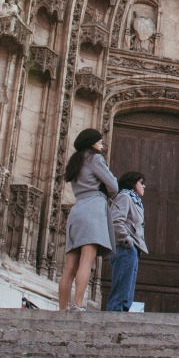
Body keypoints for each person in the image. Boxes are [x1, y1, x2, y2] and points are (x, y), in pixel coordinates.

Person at [58, 128, 119, 312]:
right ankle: (78, 304)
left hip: (77, 209)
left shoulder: (75, 162)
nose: (102, 146)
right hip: (94, 209)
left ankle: (62, 309)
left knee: (69, 266)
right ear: (93, 143)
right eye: (100, 142)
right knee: (87, 260)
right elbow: (113, 185)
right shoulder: (95, 158)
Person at [103, 170, 146, 312]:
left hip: (132, 249)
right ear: (132, 183)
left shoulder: (134, 200)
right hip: (125, 247)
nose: (144, 186)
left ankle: (120, 314)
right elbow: (116, 221)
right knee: (121, 289)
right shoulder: (125, 197)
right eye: (141, 182)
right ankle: (114, 315)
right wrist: (127, 240)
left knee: (127, 290)